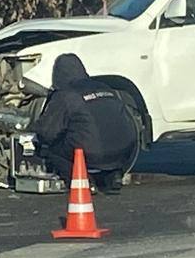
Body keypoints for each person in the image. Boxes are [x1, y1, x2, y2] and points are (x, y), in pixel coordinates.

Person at [32, 53, 140, 188]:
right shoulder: (105, 87)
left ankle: (79, 179)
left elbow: (47, 132)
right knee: (90, 136)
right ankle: (112, 176)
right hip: (124, 152)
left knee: (52, 150)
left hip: (91, 154)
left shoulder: (64, 95)